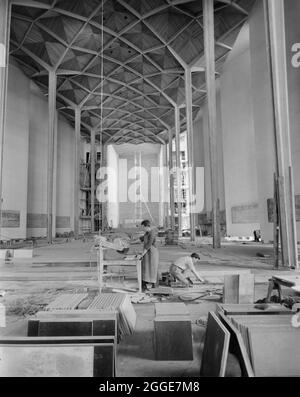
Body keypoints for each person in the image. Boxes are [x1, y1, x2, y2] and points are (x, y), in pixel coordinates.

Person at [139, 220, 159, 291]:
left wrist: (142, 254)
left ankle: (153, 284)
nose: (143, 229)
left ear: (147, 226)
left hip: (152, 252)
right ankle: (144, 283)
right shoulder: (147, 233)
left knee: (152, 268)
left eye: (143, 227)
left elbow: (148, 245)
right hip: (147, 252)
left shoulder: (152, 233)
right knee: (146, 268)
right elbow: (141, 239)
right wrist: (129, 242)